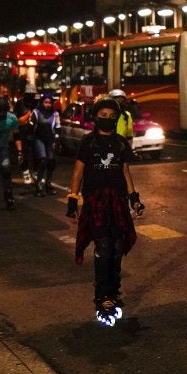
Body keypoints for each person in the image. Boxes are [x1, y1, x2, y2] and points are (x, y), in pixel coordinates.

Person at [66, 98, 145, 327]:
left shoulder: (120, 143)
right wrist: (73, 201)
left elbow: (125, 171)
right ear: (95, 116)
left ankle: (115, 291)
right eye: (104, 115)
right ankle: (102, 296)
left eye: (112, 116)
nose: (108, 119)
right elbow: (77, 173)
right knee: (103, 247)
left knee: (118, 247)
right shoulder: (88, 142)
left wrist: (134, 198)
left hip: (117, 200)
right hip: (96, 200)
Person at [28, 92, 61, 196]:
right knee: (43, 160)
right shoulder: (36, 112)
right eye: (46, 102)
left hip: (50, 139)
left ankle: (48, 184)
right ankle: (39, 184)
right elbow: (30, 126)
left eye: (50, 103)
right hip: (39, 139)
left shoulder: (55, 114)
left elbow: (58, 127)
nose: (48, 104)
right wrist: (29, 139)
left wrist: (56, 140)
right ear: (42, 102)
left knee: (51, 161)